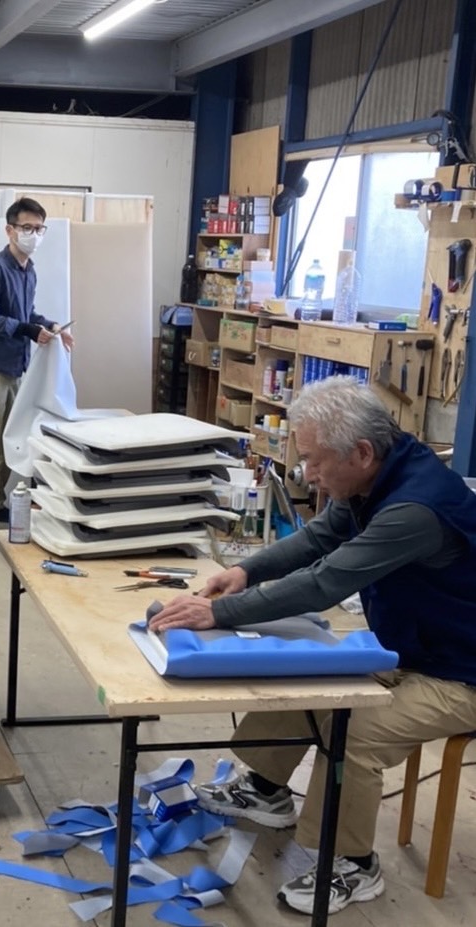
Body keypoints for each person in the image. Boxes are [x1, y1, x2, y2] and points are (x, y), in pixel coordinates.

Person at [149, 376, 476, 915]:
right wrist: (246, 571)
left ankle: (354, 863)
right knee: (307, 668)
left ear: (361, 452)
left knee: (357, 732)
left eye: (314, 461)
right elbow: (320, 537)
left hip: (461, 673)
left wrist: (218, 612)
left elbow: (326, 581)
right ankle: (266, 789)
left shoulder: (415, 508)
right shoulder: (377, 474)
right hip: (410, 648)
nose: (308, 474)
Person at [0, 197, 74, 523]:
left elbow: (26, 314)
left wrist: (51, 325)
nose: (34, 235)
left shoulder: (29, 271)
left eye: (39, 229)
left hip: (15, 367)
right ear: (9, 230)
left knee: (8, 440)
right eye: (27, 228)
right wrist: (27, 329)